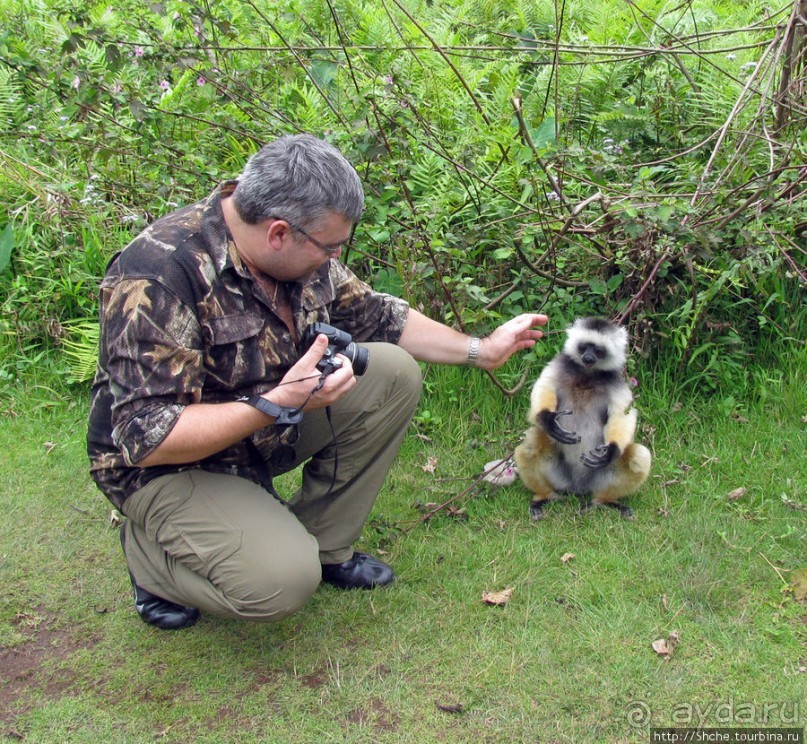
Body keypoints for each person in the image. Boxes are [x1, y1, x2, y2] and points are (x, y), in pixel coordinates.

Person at [87, 133, 547, 630]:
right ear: (279, 232)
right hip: (164, 468)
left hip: (259, 431)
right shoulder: (157, 274)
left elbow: (378, 316)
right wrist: (276, 402)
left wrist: (481, 350)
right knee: (279, 583)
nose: (334, 259)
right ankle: (152, 562)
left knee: (392, 371)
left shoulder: (296, 251)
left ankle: (322, 543)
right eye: (330, 247)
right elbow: (147, 438)